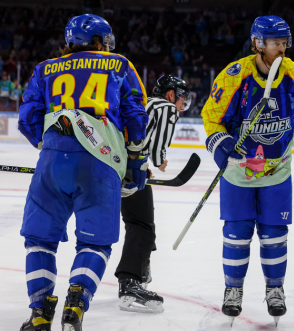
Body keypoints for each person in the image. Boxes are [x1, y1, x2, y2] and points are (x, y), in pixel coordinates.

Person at [201, 15, 294, 325]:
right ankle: (232, 291)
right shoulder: (234, 76)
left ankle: (275, 290)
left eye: (284, 43)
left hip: (278, 172)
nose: (282, 49)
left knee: (275, 234)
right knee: (236, 234)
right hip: (239, 172)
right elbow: (211, 118)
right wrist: (222, 147)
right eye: (275, 43)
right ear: (258, 43)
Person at [17, 14, 148, 331]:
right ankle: (76, 302)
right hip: (100, 162)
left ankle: (39, 313)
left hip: (53, 159)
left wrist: (47, 144)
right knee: (95, 244)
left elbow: (26, 118)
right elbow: (136, 114)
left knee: (39, 241)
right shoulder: (118, 65)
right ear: (101, 41)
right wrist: (136, 160)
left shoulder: (44, 69)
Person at [115, 74, 191, 313]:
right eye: (182, 98)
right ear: (170, 94)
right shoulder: (167, 108)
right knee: (141, 225)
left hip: (117, 165)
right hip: (133, 170)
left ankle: (140, 269)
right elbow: (157, 149)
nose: (182, 104)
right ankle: (130, 281)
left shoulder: (145, 103)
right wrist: (160, 161)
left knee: (140, 222)